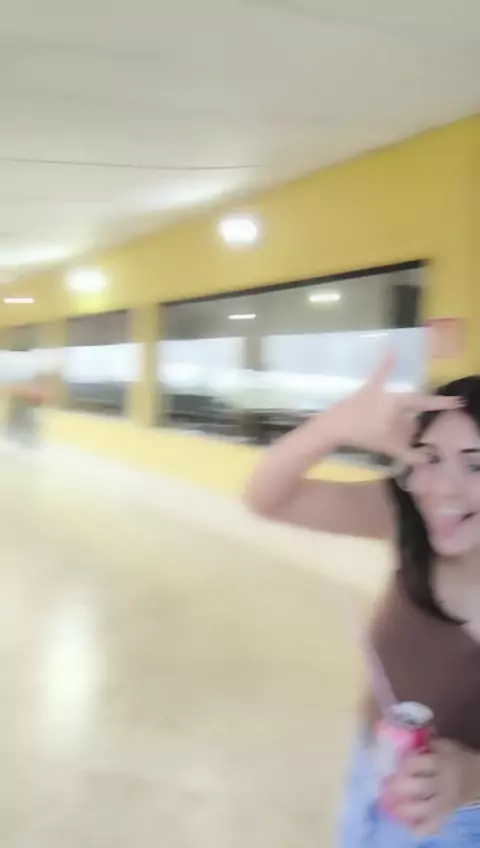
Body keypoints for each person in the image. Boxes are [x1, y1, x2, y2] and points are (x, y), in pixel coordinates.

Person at [244, 355, 480, 846]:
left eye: (475, 464)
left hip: (459, 822)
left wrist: (467, 777)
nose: (443, 489)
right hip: (371, 772)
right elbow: (267, 498)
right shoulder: (410, 518)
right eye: (431, 457)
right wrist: (332, 427)